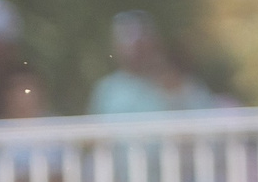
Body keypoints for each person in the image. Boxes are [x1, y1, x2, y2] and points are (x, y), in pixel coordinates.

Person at [86, 12, 218, 116]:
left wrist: (176, 94)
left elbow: (204, 121)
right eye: (127, 42)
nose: (135, 49)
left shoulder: (183, 85)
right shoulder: (107, 89)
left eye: (141, 42)